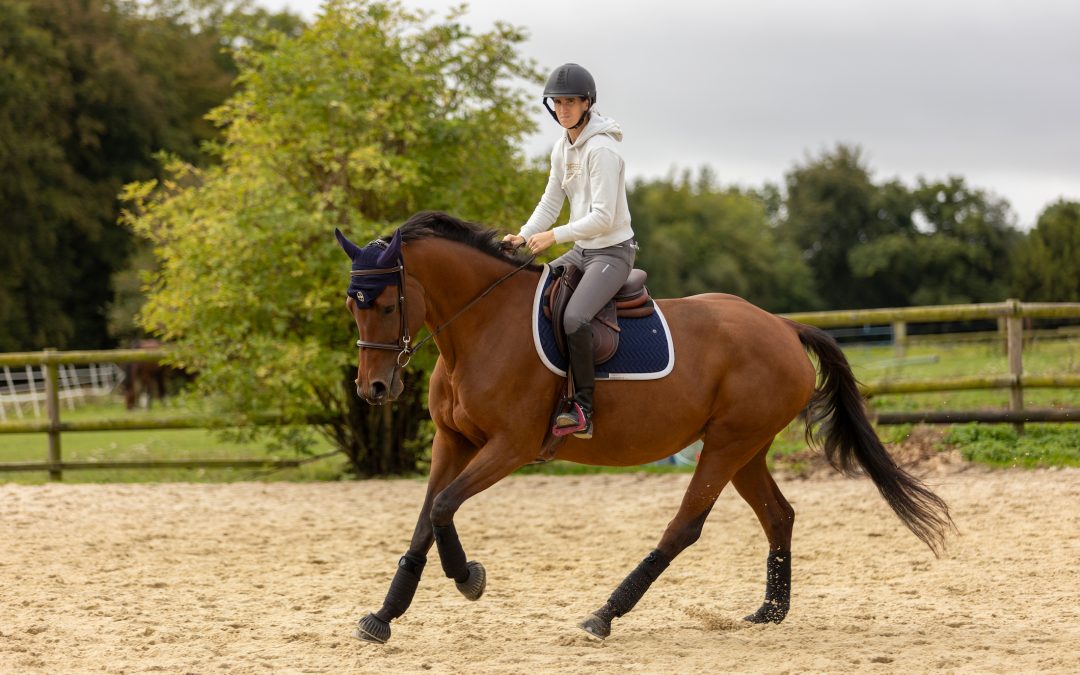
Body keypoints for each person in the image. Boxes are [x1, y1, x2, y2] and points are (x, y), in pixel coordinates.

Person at [503, 63, 635, 440]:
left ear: (587, 103)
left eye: (570, 102)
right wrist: (524, 235)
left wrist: (552, 237)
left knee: (575, 318)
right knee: (533, 295)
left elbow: (604, 218)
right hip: (581, 251)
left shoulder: (602, 150)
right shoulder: (563, 146)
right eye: (557, 102)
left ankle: (583, 408)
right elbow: (550, 200)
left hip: (612, 253)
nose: (563, 109)